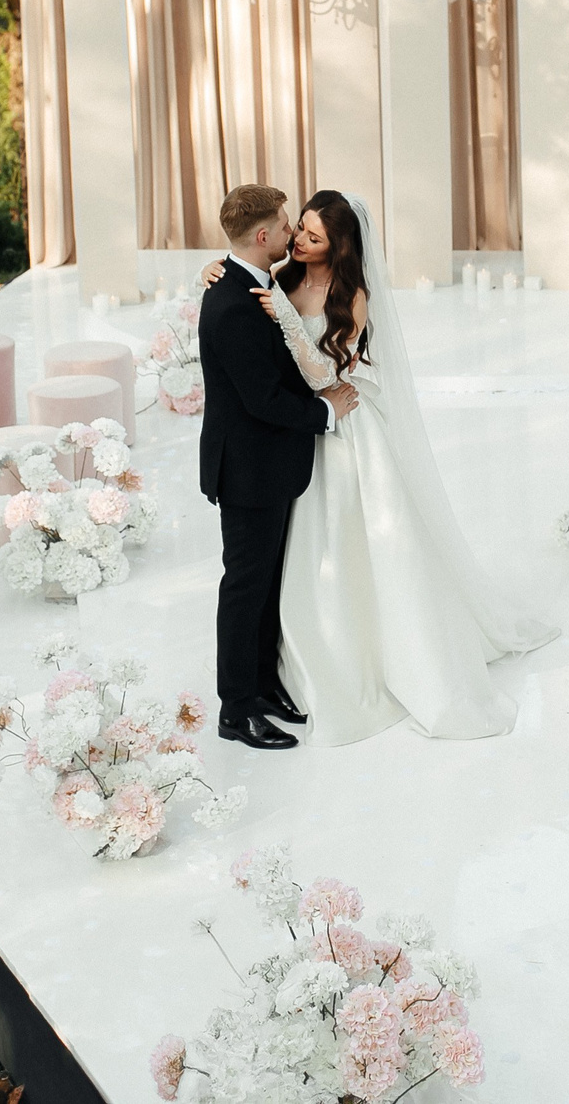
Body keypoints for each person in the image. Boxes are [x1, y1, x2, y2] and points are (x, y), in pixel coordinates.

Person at [206, 188, 557, 743]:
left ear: (338, 246)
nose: (299, 239)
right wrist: (221, 269)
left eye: (314, 237)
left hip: (338, 423)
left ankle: (354, 656)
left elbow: (327, 374)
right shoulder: (279, 279)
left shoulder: (353, 295)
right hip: (298, 431)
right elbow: (248, 311)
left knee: (356, 541)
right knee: (276, 566)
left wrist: (293, 332)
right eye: (297, 228)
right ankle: (258, 685)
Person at [199, 184, 359, 751]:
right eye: (288, 225)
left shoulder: (254, 280)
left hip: (269, 467)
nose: (294, 233)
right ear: (262, 236)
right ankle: (235, 710)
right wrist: (326, 410)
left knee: (265, 584)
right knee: (244, 589)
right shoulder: (232, 302)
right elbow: (262, 399)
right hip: (247, 470)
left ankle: (263, 686)